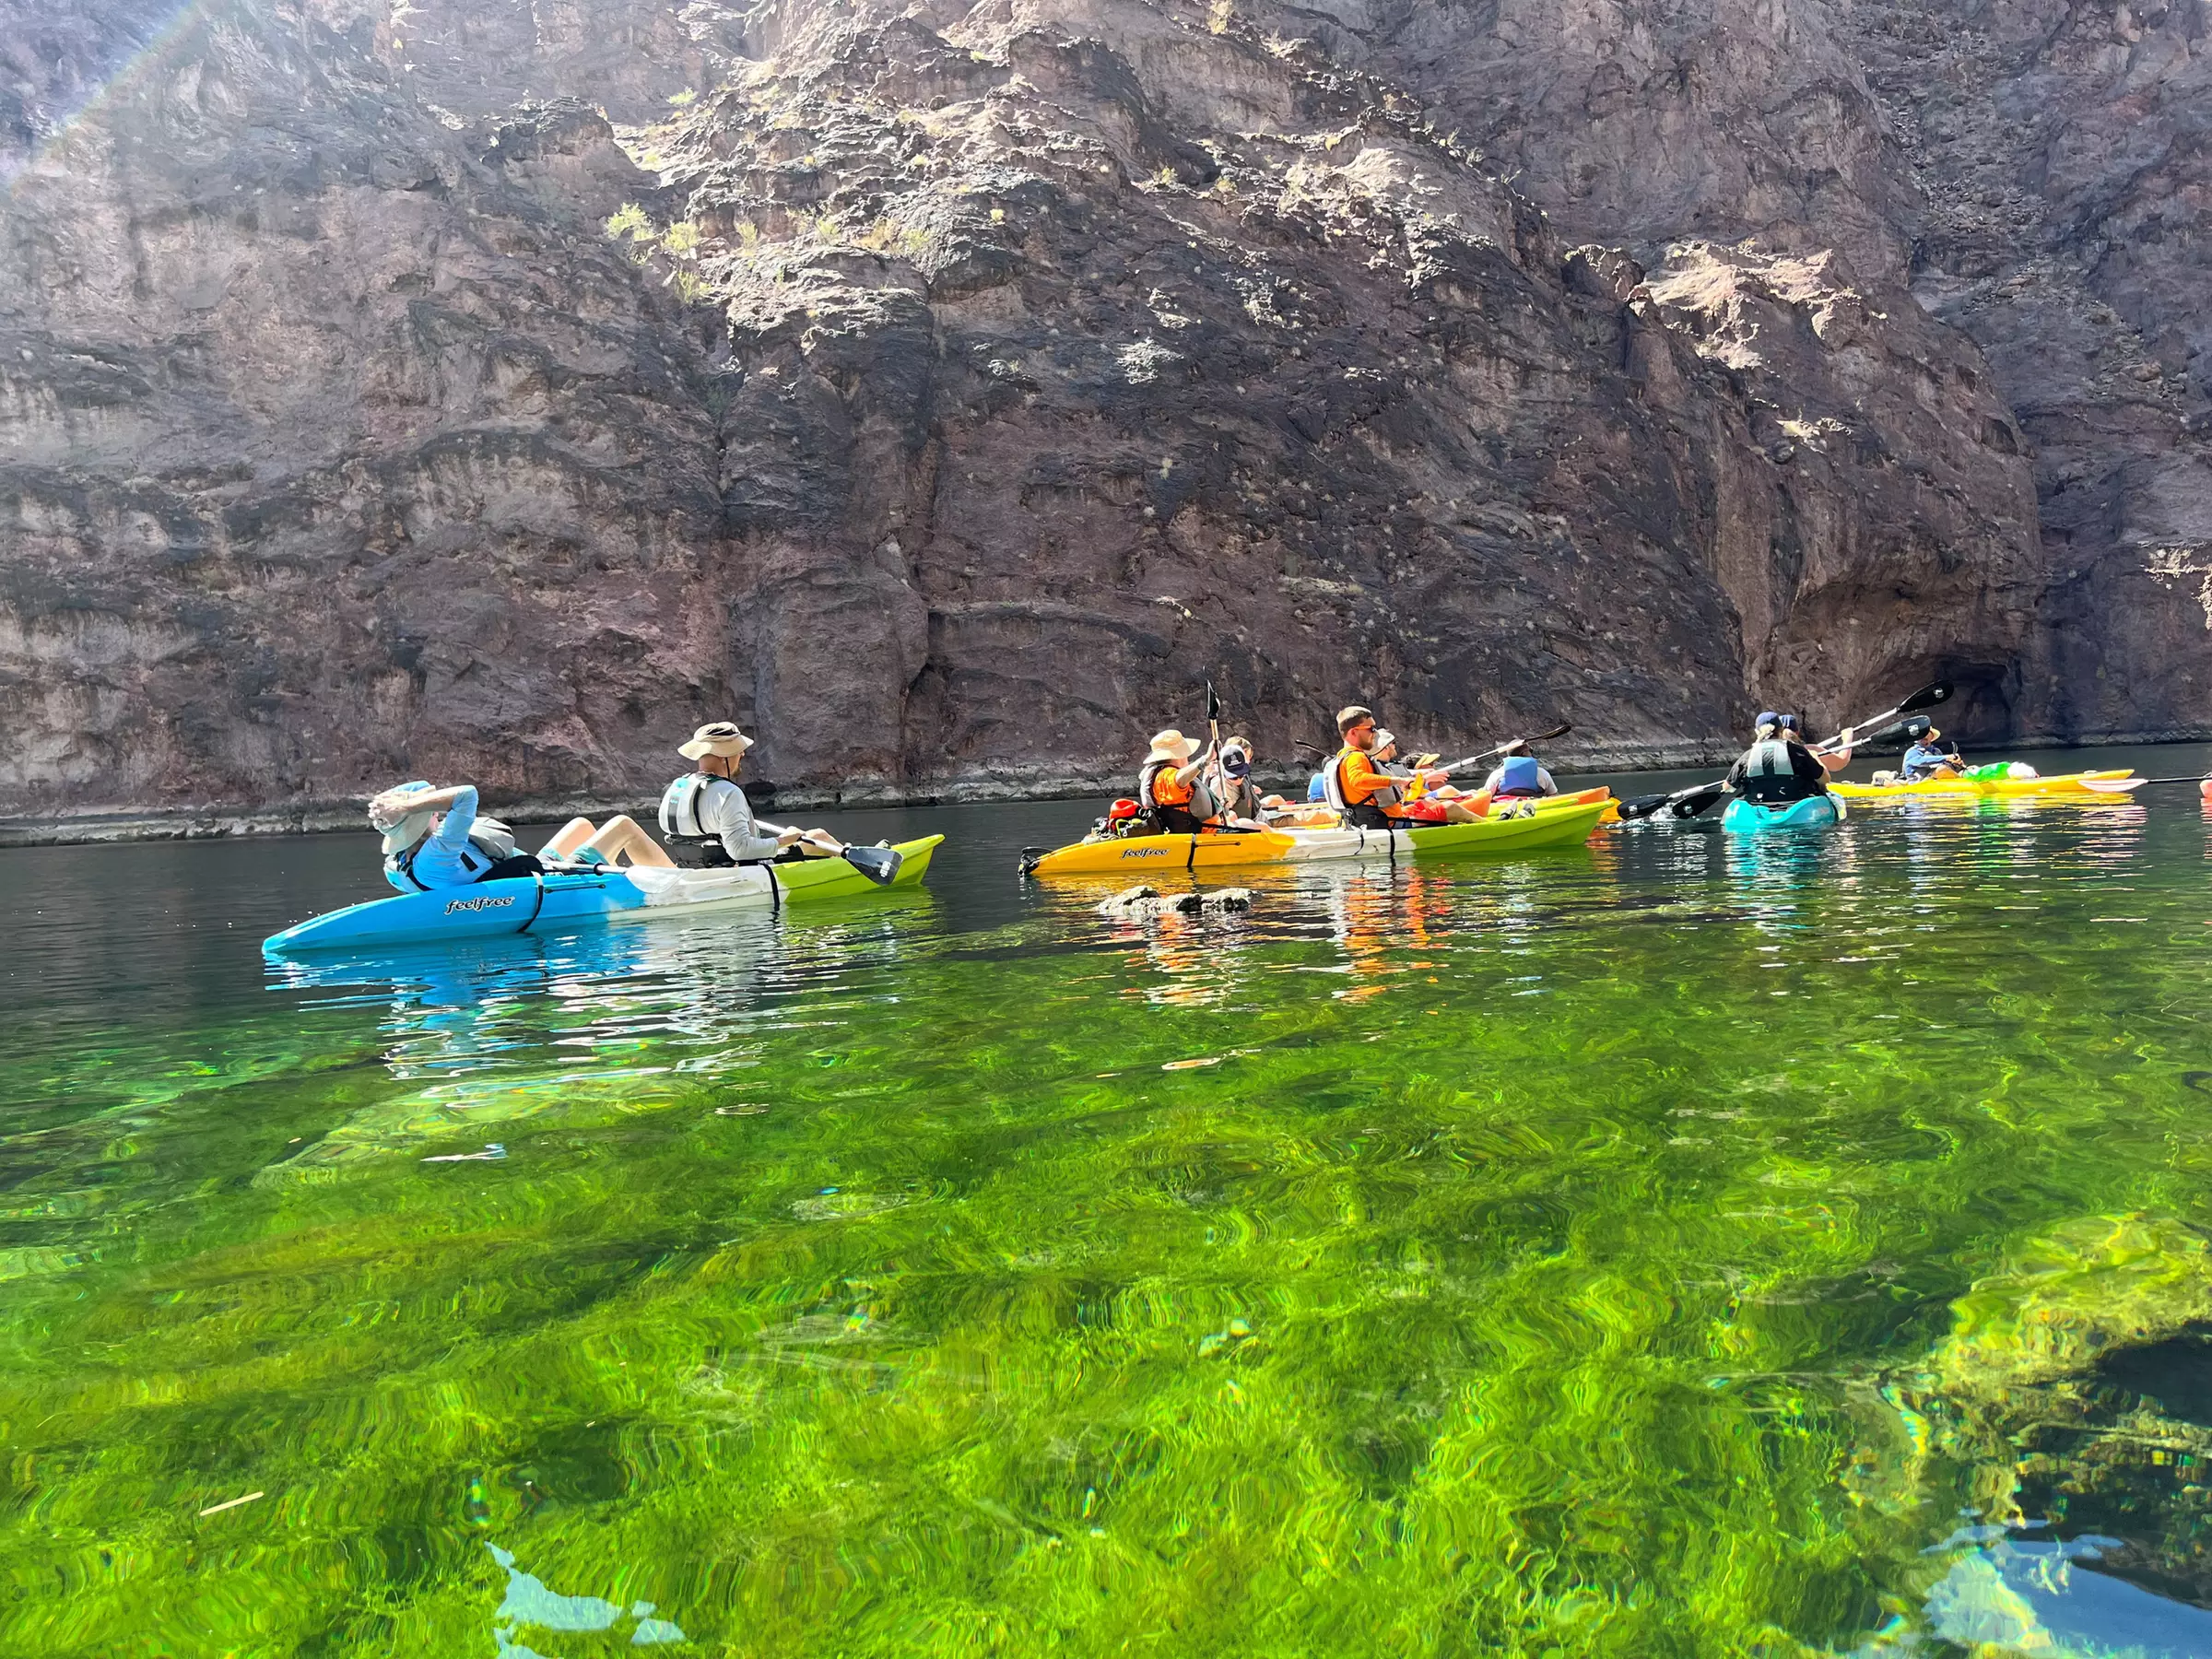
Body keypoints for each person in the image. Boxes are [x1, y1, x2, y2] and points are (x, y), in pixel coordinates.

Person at [655, 721, 843, 867]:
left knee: (797, 834)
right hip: (745, 869)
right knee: (818, 836)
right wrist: (787, 840)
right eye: (737, 751)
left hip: (697, 867)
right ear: (723, 757)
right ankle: (857, 865)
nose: (742, 755)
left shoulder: (677, 786)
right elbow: (740, 851)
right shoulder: (729, 793)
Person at [371, 781, 544, 892]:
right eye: (431, 812)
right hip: (544, 877)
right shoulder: (438, 853)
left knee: (573, 825)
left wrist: (389, 805)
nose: (437, 813)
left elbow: (424, 785)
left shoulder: (395, 865)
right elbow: (467, 795)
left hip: (539, 864)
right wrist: (405, 808)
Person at [1724, 712, 1853, 806]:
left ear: (1757, 732)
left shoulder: (1748, 756)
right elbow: (1825, 779)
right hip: (1796, 804)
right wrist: (1816, 759)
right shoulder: (1798, 752)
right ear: (1781, 731)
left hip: (1759, 805)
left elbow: (1728, 788)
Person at [1139, 728, 1218, 834]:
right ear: (1180, 755)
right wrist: (1206, 759)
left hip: (1205, 832)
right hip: (1198, 836)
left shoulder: (1163, 773)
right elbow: (1178, 780)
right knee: (1245, 825)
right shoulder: (1165, 776)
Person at [1481, 741, 1558, 799]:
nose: (1531, 753)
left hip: (1504, 809)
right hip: (1534, 808)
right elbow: (1553, 795)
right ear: (1524, 753)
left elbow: (1485, 796)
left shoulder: (1497, 774)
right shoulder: (1541, 773)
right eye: (1530, 750)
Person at [1899, 718, 1964, 782]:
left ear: (1931, 736)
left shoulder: (1936, 751)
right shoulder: (1912, 751)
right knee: (1942, 769)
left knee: (1967, 769)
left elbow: (1943, 763)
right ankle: (1963, 782)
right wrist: (1946, 757)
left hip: (1934, 779)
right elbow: (1921, 761)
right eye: (1921, 734)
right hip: (1918, 782)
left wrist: (1956, 764)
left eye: (1926, 733)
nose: (1924, 736)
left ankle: (1961, 778)